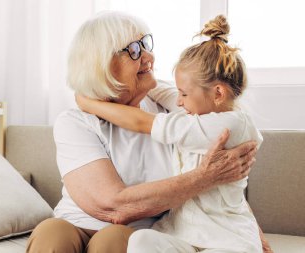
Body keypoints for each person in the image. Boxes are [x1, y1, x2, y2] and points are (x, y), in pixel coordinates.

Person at [26, 11, 266, 253]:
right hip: (76, 224)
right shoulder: (75, 122)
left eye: (146, 44)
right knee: (51, 234)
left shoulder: (178, 109)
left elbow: (226, 183)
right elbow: (113, 206)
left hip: (139, 233)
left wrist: (257, 238)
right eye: (133, 50)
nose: (149, 56)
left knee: (115, 239)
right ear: (100, 64)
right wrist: (206, 177)